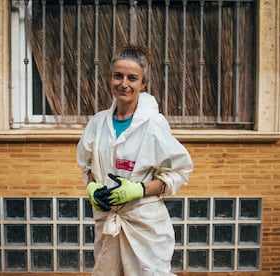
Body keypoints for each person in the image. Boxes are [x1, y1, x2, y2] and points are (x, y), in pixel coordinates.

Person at [77, 45, 193, 276]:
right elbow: (89, 165)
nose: (124, 84)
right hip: (108, 224)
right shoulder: (98, 123)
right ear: (110, 78)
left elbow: (177, 173)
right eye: (118, 76)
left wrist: (139, 189)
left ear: (143, 83)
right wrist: (92, 186)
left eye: (132, 78)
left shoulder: (154, 124)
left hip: (144, 227)